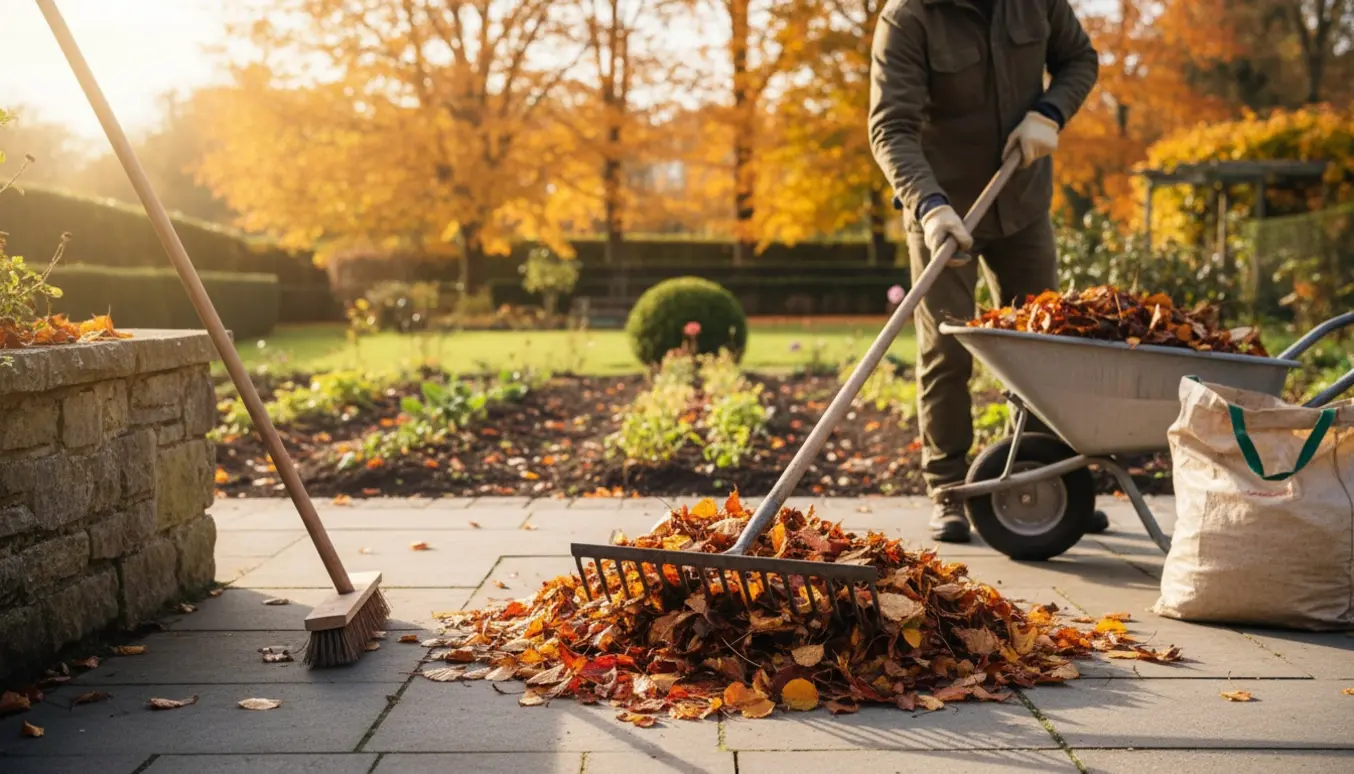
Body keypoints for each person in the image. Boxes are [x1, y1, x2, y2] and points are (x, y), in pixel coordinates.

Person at [867, 0, 1108, 542]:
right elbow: (890, 128)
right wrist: (928, 207)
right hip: (942, 210)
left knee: (1043, 348)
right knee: (946, 350)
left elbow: (1079, 60)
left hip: (1021, 203)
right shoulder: (909, 18)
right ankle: (950, 491)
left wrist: (1049, 112)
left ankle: (1050, 480)